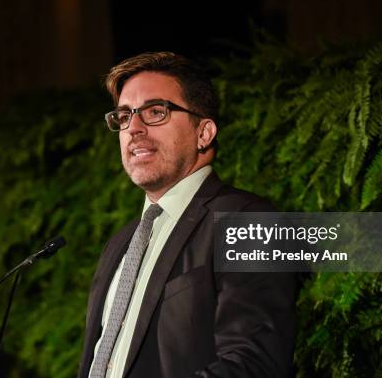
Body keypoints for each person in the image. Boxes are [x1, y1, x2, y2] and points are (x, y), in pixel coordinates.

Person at [79, 52, 297, 378]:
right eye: (124, 116)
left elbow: (255, 364)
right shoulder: (119, 244)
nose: (134, 128)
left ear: (204, 133)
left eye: (155, 112)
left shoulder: (249, 221)